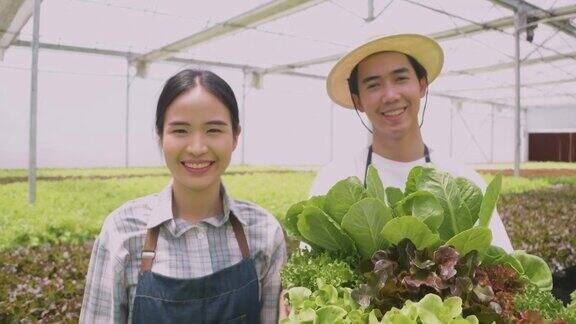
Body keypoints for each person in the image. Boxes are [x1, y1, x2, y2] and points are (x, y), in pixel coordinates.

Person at [80, 69, 286, 323]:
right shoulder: (122, 233)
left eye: (213, 130)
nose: (197, 148)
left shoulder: (264, 233)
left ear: (235, 137)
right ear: (160, 137)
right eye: (180, 131)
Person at [311, 34, 513, 252]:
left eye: (401, 79)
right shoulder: (334, 179)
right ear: (358, 101)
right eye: (373, 85)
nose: (390, 95)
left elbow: (503, 265)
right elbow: (310, 273)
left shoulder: (460, 179)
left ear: (422, 85)